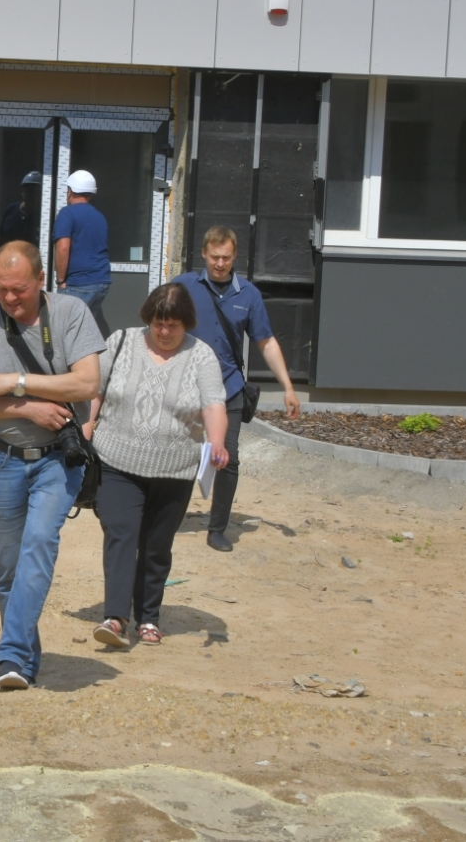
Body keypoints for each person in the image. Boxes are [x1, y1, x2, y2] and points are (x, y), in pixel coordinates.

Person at [0, 241, 104, 690]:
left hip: (59, 458)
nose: (10, 298)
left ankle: (11, 655)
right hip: (3, 458)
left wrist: (15, 382)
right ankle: (24, 662)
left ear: (41, 279)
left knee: (39, 542)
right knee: (10, 568)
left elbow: (88, 382)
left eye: (20, 289)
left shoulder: (71, 314)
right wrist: (27, 407)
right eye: (2, 289)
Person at [84, 284, 229, 648]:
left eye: (173, 325)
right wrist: (84, 430)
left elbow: (214, 404)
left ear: (186, 323)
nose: (164, 332)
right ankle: (116, 617)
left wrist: (217, 442)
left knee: (156, 545)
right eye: (158, 323)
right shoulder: (121, 342)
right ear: (147, 318)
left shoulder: (201, 355)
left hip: (174, 469)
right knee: (121, 533)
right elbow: (93, 390)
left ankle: (149, 616)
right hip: (116, 460)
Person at [176, 226, 302, 553]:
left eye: (227, 258)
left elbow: (266, 342)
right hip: (185, 386)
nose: (220, 264)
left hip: (228, 387)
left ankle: (217, 528)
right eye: (215, 257)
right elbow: (157, 325)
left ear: (235, 257)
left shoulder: (248, 295)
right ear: (204, 254)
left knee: (227, 458)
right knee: (176, 453)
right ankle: (167, 517)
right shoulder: (183, 287)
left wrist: (288, 387)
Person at [52, 169, 112, 336]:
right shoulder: (99, 216)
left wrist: (61, 281)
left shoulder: (67, 213)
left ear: (70, 191)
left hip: (79, 283)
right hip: (101, 281)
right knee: (84, 332)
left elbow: (63, 247)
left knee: (66, 332)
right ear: (90, 195)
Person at [0, 171, 43, 248]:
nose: (29, 193)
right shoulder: (10, 211)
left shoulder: (43, 217)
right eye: (26, 188)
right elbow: (1, 240)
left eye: (33, 190)